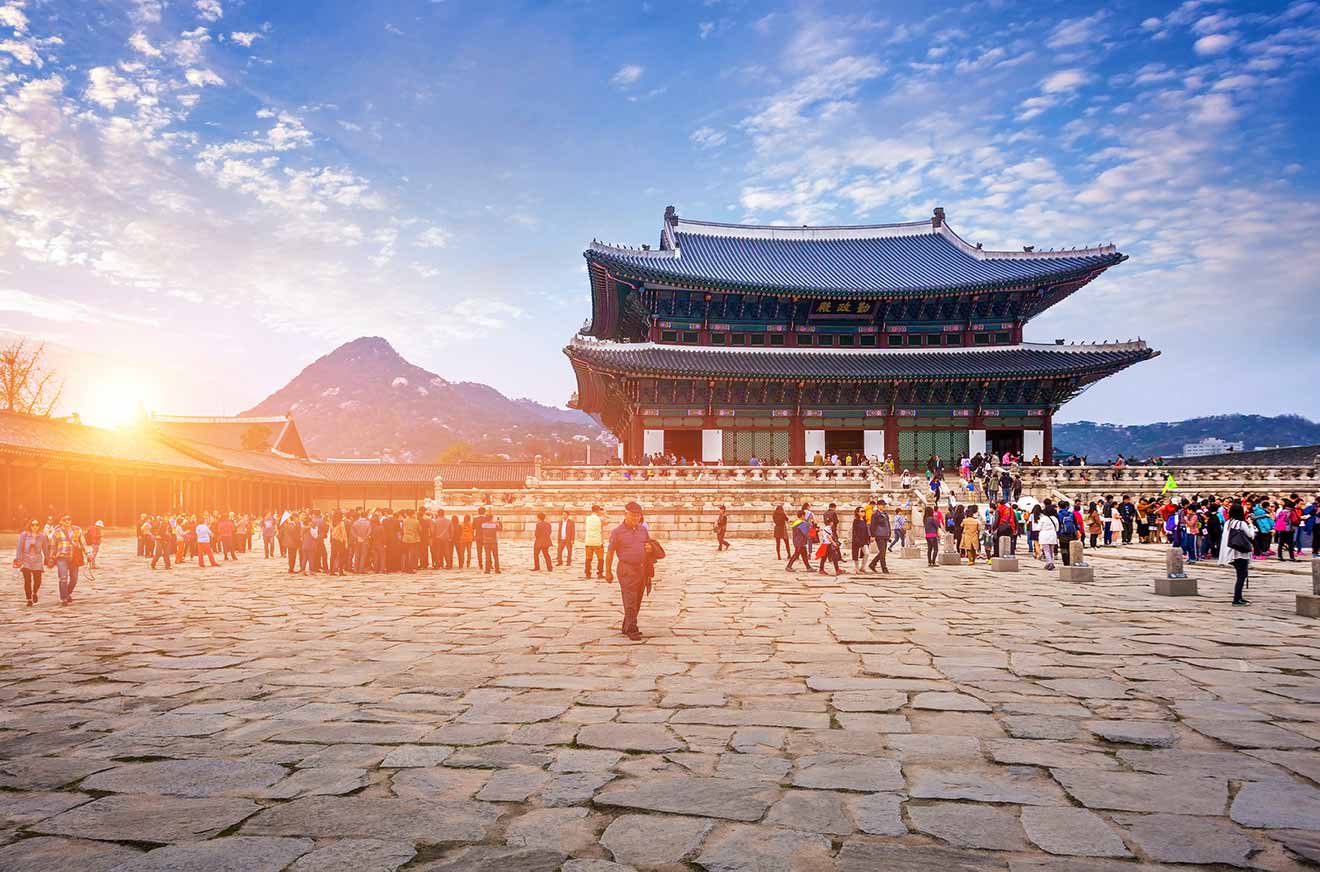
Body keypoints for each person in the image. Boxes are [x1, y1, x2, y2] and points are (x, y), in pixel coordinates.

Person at [604, 501, 650, 640]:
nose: (635, 518)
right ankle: (632, 629)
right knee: (630, 599)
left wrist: (650, 549)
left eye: (638, 516)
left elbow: (648, 545)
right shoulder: (617, 532)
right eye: (633, 515)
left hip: (641, 569)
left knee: (637, 600)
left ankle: (626, 625)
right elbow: (610, 552)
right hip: (626, 569)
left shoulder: (643, 530)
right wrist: (607, 571)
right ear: (625, 514)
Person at [1221, 502, 1254, 605]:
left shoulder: (1228, 523)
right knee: (1241, 576)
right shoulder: (1241, 523)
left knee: (1240, 575)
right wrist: (1251, 524)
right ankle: (1237, 598)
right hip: (1240, 552)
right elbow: (1251, 535)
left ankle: (1239, 597)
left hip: (1231, 552)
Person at [14, 518, 48, 605]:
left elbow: (45, 548)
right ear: (30, 525)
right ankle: (29, 599)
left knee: (38, 580)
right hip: (26, 559)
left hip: (37, 559)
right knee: (27, 580)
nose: (35, 526)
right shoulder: (24, 535)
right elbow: (19, 548)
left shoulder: (42, 536)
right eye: (33, 524)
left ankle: (34, 592)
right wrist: (18, 559)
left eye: (37, 524)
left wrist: (48, 558)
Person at [867, 502, 891, 573]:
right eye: (882, 505)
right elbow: (873, 525)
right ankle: (884, 568)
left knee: (883, 552)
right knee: (882, 552)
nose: (883, 506)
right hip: (879, 534)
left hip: (885, 534)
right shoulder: (875, 514)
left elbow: (888, 524)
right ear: (878, 506)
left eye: (884, 505)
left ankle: (872, 564)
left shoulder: (885, 514)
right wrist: (872, 535)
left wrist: (889, 532)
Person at [583, 505, 605, 580]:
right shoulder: (600, 519)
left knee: (588, 559)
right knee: (600, 558)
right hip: (597, 541)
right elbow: (608, 520)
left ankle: (587, 574)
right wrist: (605, 514)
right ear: (598, 510)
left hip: (588, 541)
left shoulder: (587, 518)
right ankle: (600, 573)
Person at [480, 508, 502, 574]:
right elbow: (500, 529)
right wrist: (499, 522)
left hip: (486, 542)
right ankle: (497, 569)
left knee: (487, 556)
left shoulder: (483, 525)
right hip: (493, 542)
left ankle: (487, 570)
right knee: (495, 556)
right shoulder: (494, 525)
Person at [1038, 505, 1060, 570]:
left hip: (1044, 534)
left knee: (1046, 550)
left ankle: (1050, 562)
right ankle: (1050, 563)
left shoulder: (1043, 518)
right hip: (1053, 534)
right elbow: (1057, 528)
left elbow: (1039, 527)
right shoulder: (1055, 518)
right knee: (1051, 550)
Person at [851, 507, 870, 572]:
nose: (863, 512)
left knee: (867, 553)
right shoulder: (856, 521)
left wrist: (868, 538)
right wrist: (856, 539)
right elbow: (854, 531)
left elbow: (866, 531)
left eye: (864, 511)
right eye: (861, 511)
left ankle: (862, 567)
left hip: (864, 540)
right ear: (857, 513)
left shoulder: (864, 521)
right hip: (857, 540)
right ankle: (857, 568)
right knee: (856, 554)